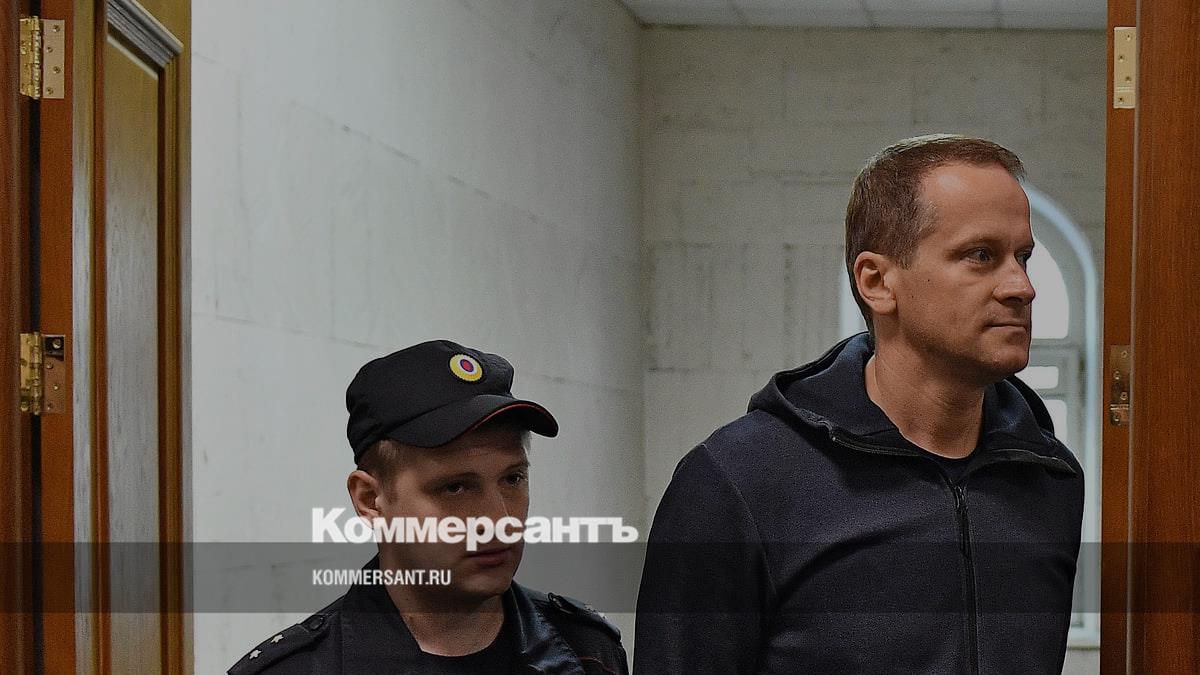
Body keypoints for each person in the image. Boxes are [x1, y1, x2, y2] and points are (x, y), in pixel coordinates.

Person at [634, 135, 1084, 674]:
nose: (1022, 287)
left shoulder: (1050, 478)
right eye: (980, 256)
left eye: (1023, 257)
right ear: (877, 281)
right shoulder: (737, 482)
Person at [229, 340, 628, 674]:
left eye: (512, 479)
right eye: (455, 488)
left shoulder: (587, 653)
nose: (499, 519)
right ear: (370, 501)